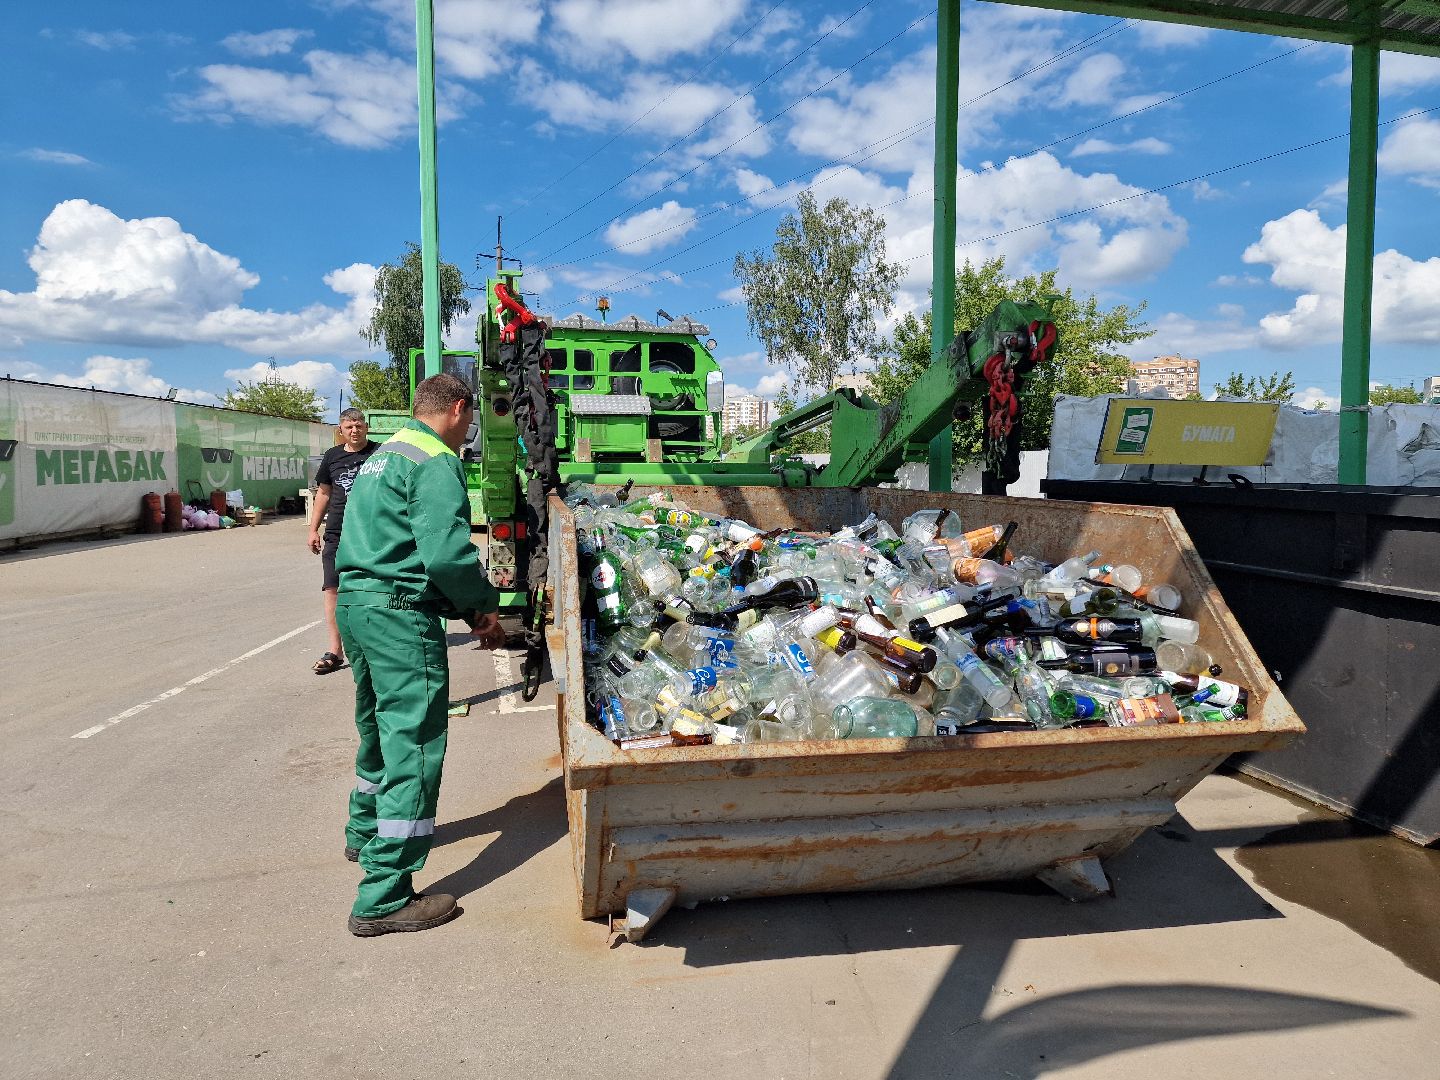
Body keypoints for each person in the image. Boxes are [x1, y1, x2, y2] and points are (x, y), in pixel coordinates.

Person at [335, 374, 507, 937]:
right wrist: (483, 609)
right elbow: (446, 556)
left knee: (378, 730)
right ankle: (384, 894)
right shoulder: (435, 460)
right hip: (399, 616)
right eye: (472, 417)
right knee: (414, 744)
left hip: (358, 607)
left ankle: (364, 834)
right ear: (458, 409)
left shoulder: (383, 454)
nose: (471, 429)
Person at [308, 409, 379, 674]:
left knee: (373, 589)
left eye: (358, 425)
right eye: (349, 426)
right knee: (332, 590)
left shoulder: (380, 454)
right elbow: (324, 494)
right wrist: (313, 529)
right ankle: (335, 651)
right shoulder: (332, 456)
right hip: (338, 534)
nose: (354, 430)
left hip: (372, 534)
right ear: (341, 429)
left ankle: (374, 647)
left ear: (366, 427)